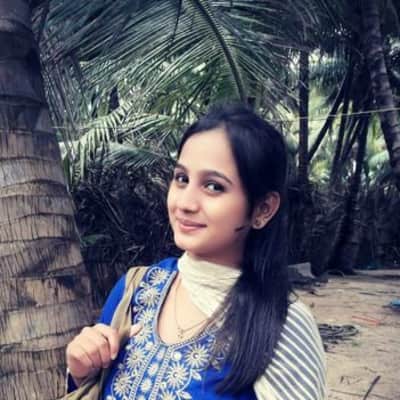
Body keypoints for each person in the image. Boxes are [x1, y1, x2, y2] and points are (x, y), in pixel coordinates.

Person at [66, 104, 326, 399]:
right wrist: (81, 371)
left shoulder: (283, 327)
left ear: (263, 209)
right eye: (182, 179)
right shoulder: (135, 290)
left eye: (213, 186)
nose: (185, 203)